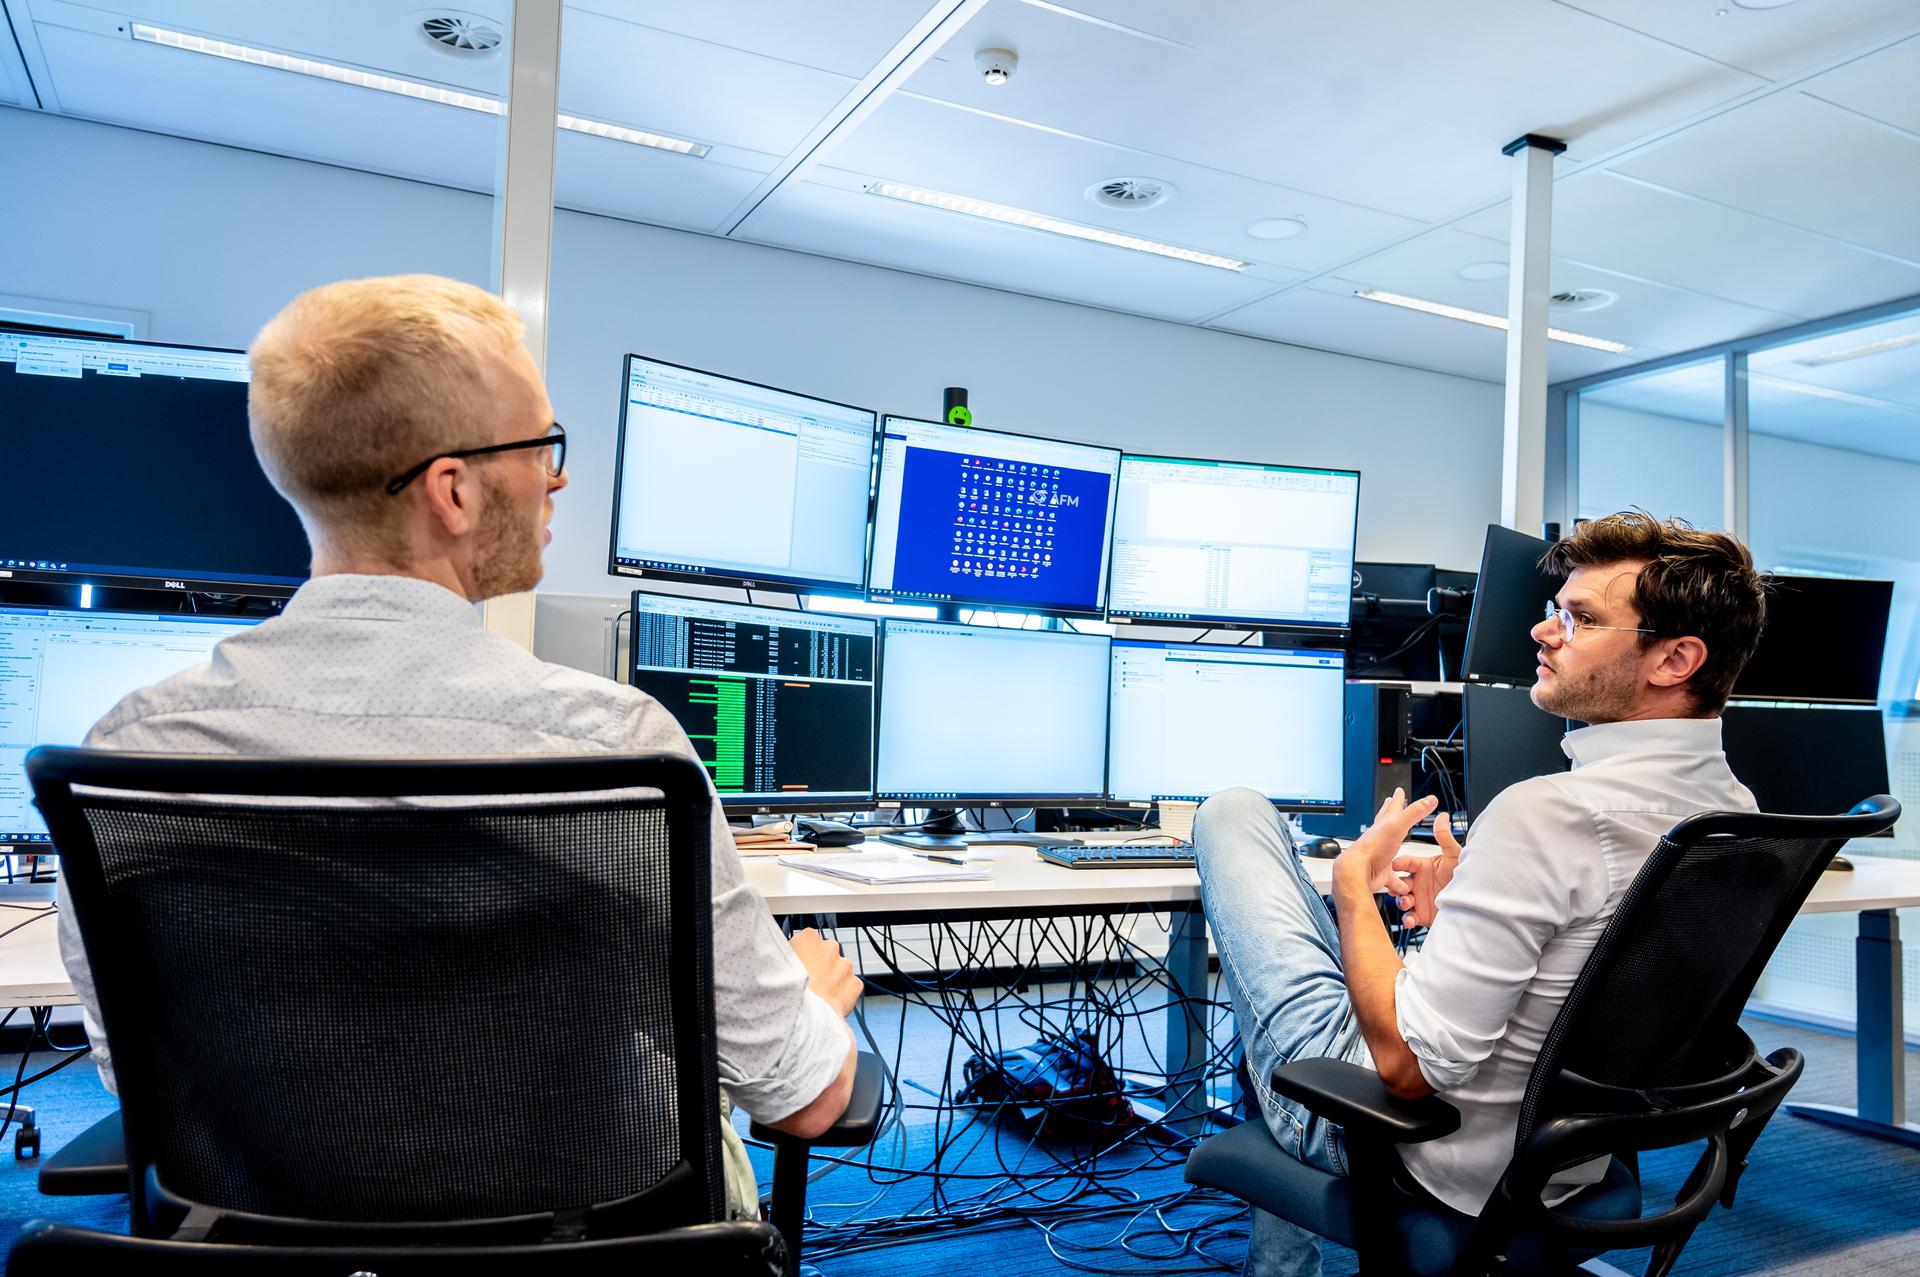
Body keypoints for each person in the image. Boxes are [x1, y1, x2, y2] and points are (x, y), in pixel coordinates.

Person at [54, 274, 860, 1219]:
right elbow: (811, 1101)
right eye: (542, 447)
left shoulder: (136, 754)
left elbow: (135, 1077)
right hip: (589, 1261)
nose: (556, 478)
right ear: (454, 491)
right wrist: (806, 1001)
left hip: (266, 1254)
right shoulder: (614, 750)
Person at [1194, 512, 1768, 1276]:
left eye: (1581, 617)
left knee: (1232, 811)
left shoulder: (1550, 814)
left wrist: (1351, 888)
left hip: (1413, 1144)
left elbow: (1403, 1068)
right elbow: (1592, 971)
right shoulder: (1736, 811)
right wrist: (1463, 912)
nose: (1543, 629)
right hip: (1568, 1158)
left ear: (1675, 658)